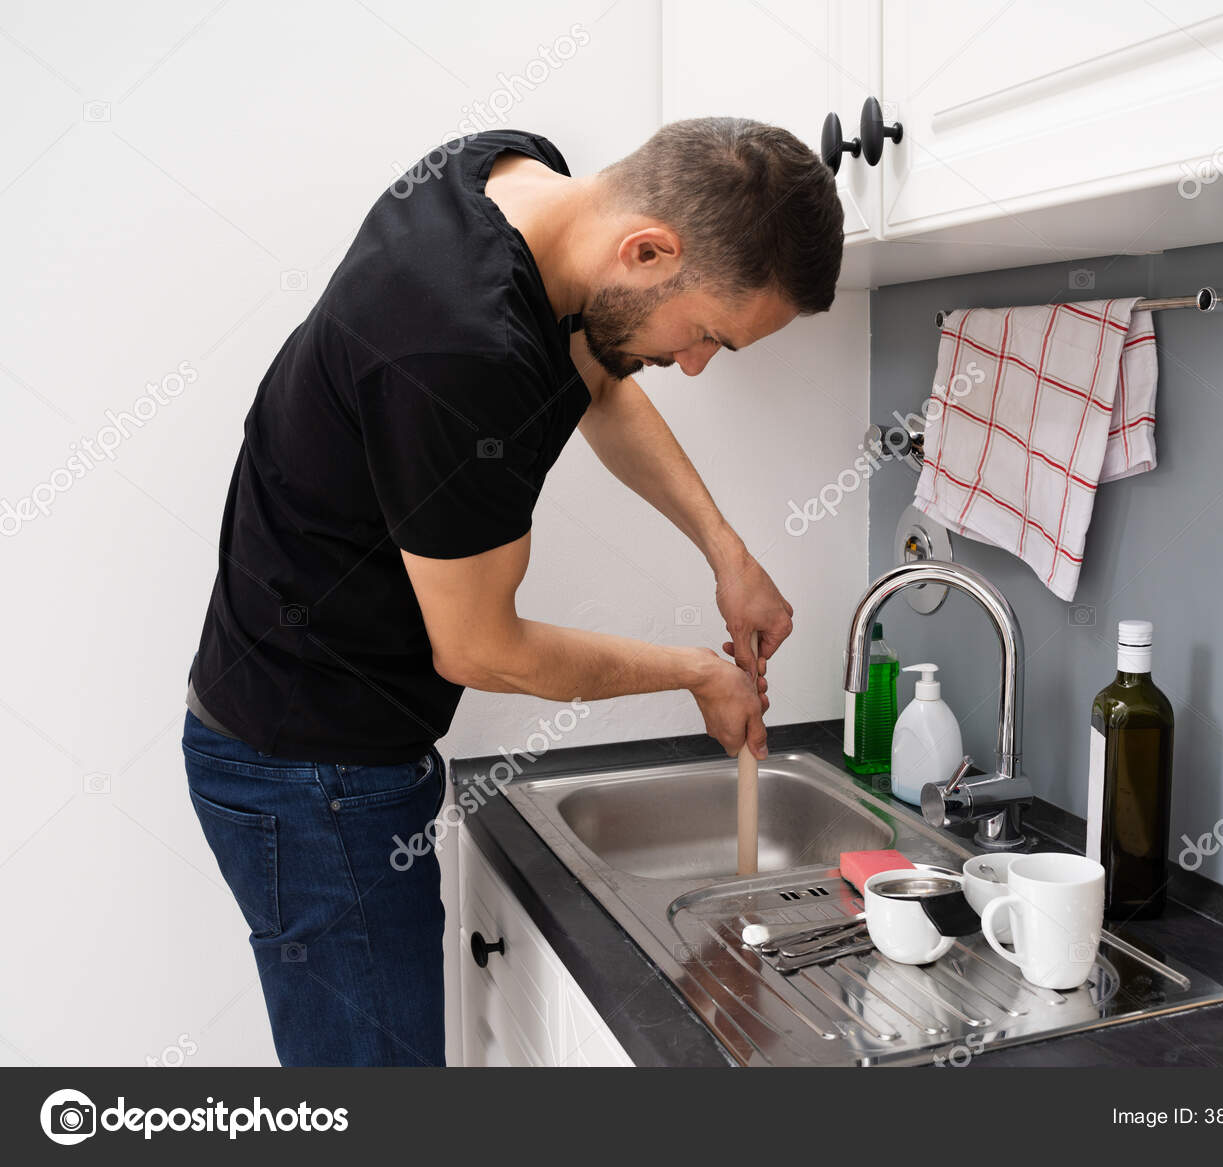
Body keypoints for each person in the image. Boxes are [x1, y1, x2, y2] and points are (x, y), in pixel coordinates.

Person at [180, 118, 845, 1065]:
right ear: (647, 248)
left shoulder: (509, 179)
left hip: (317, 746)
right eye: (705, 335)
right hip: (309, 771)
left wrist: (724, 550)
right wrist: (697, 672)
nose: (695, 364)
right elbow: (481, 648)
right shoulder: (458, 344)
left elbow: (600, 375)